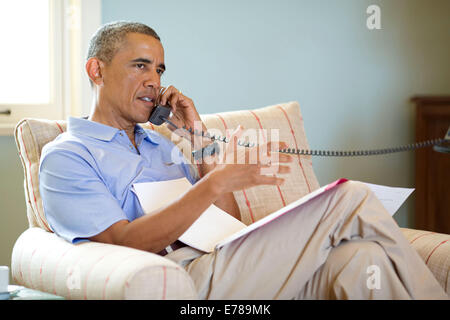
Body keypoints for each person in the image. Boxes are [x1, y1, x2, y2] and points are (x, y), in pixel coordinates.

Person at [39, 21, 447, 299]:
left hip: (226, 263)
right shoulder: (67, 156)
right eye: (140, 65)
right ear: (96, 70)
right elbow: (121, 244)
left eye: (160, 70)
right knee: (350, 195)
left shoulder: (164, 144)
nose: (155, 81)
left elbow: (227, 226)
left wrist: (197, 138)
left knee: (364, 259)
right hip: (180, 279)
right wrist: (216, 182)